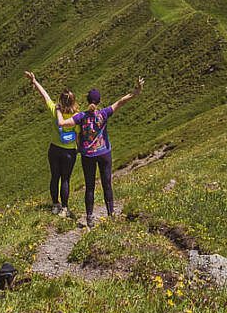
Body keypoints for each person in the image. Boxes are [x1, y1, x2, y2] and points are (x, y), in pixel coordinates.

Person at [57, 77, 145, 228]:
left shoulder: (81, 117)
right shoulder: (104, 114)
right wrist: (136, 91)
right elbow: (121, 101)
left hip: (88, 155)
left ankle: (90, 218)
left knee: (90, 187)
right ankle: (111, 215)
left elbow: (62, 123)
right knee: (107, 184)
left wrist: (58, 110)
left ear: (87, 100)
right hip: (104, 153)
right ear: (99, 101)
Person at [24, 71, 79, 217]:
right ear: (73, 102)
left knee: (55, 177)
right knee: (66, 179)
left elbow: (45, 96)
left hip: (54, 149)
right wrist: (78, 148)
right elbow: (79, 134)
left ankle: (55, 204)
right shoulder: (76, 116)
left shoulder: (55, 110)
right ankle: (65, 208)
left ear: (61, 101)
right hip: (69, 151)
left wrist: (35, 81)